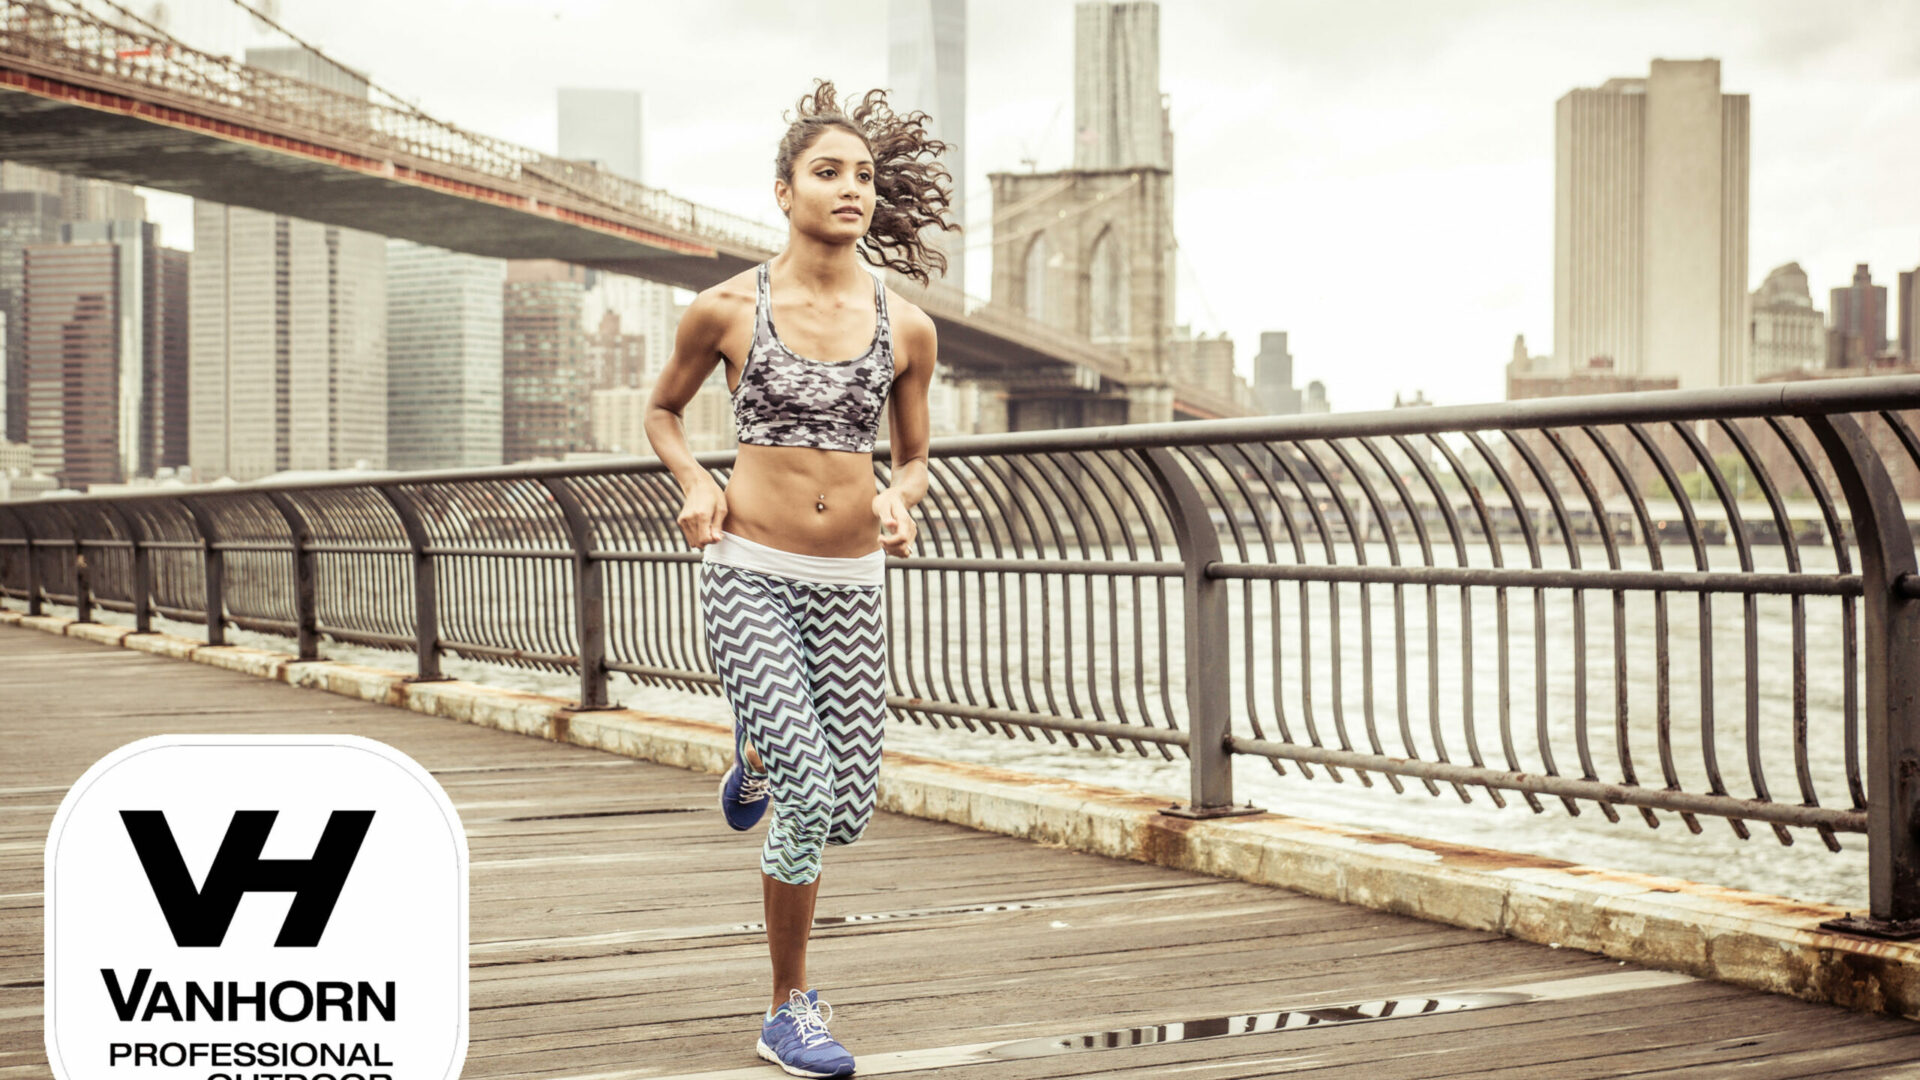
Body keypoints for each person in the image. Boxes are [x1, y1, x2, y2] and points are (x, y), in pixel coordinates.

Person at [643, 79, 956, 1078]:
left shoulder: (908, 328)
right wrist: (696, 479)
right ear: (784, 191)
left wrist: (902, 497)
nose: (851, 188)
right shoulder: (726, 309)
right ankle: (788, 1006)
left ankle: (759, 750)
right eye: (828, 172)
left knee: (850, 806)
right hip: (749, 571)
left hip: (852, 582)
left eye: (863, 175)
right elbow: (662, 413)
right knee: (815, 796)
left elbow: (911, 457)